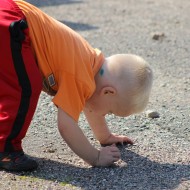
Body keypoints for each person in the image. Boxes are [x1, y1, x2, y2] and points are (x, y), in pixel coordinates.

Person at [0, 0, 153, 171]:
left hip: (10, 13)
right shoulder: (82, 78)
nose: (105, 114)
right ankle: (6, 149)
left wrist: (105, 136)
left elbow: (91, 106)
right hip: (13, 25)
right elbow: (66, 125)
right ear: (108, 92)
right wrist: (95, 157)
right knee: (24, 88)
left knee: (12, 79)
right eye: (110, 111)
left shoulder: (89, 63)